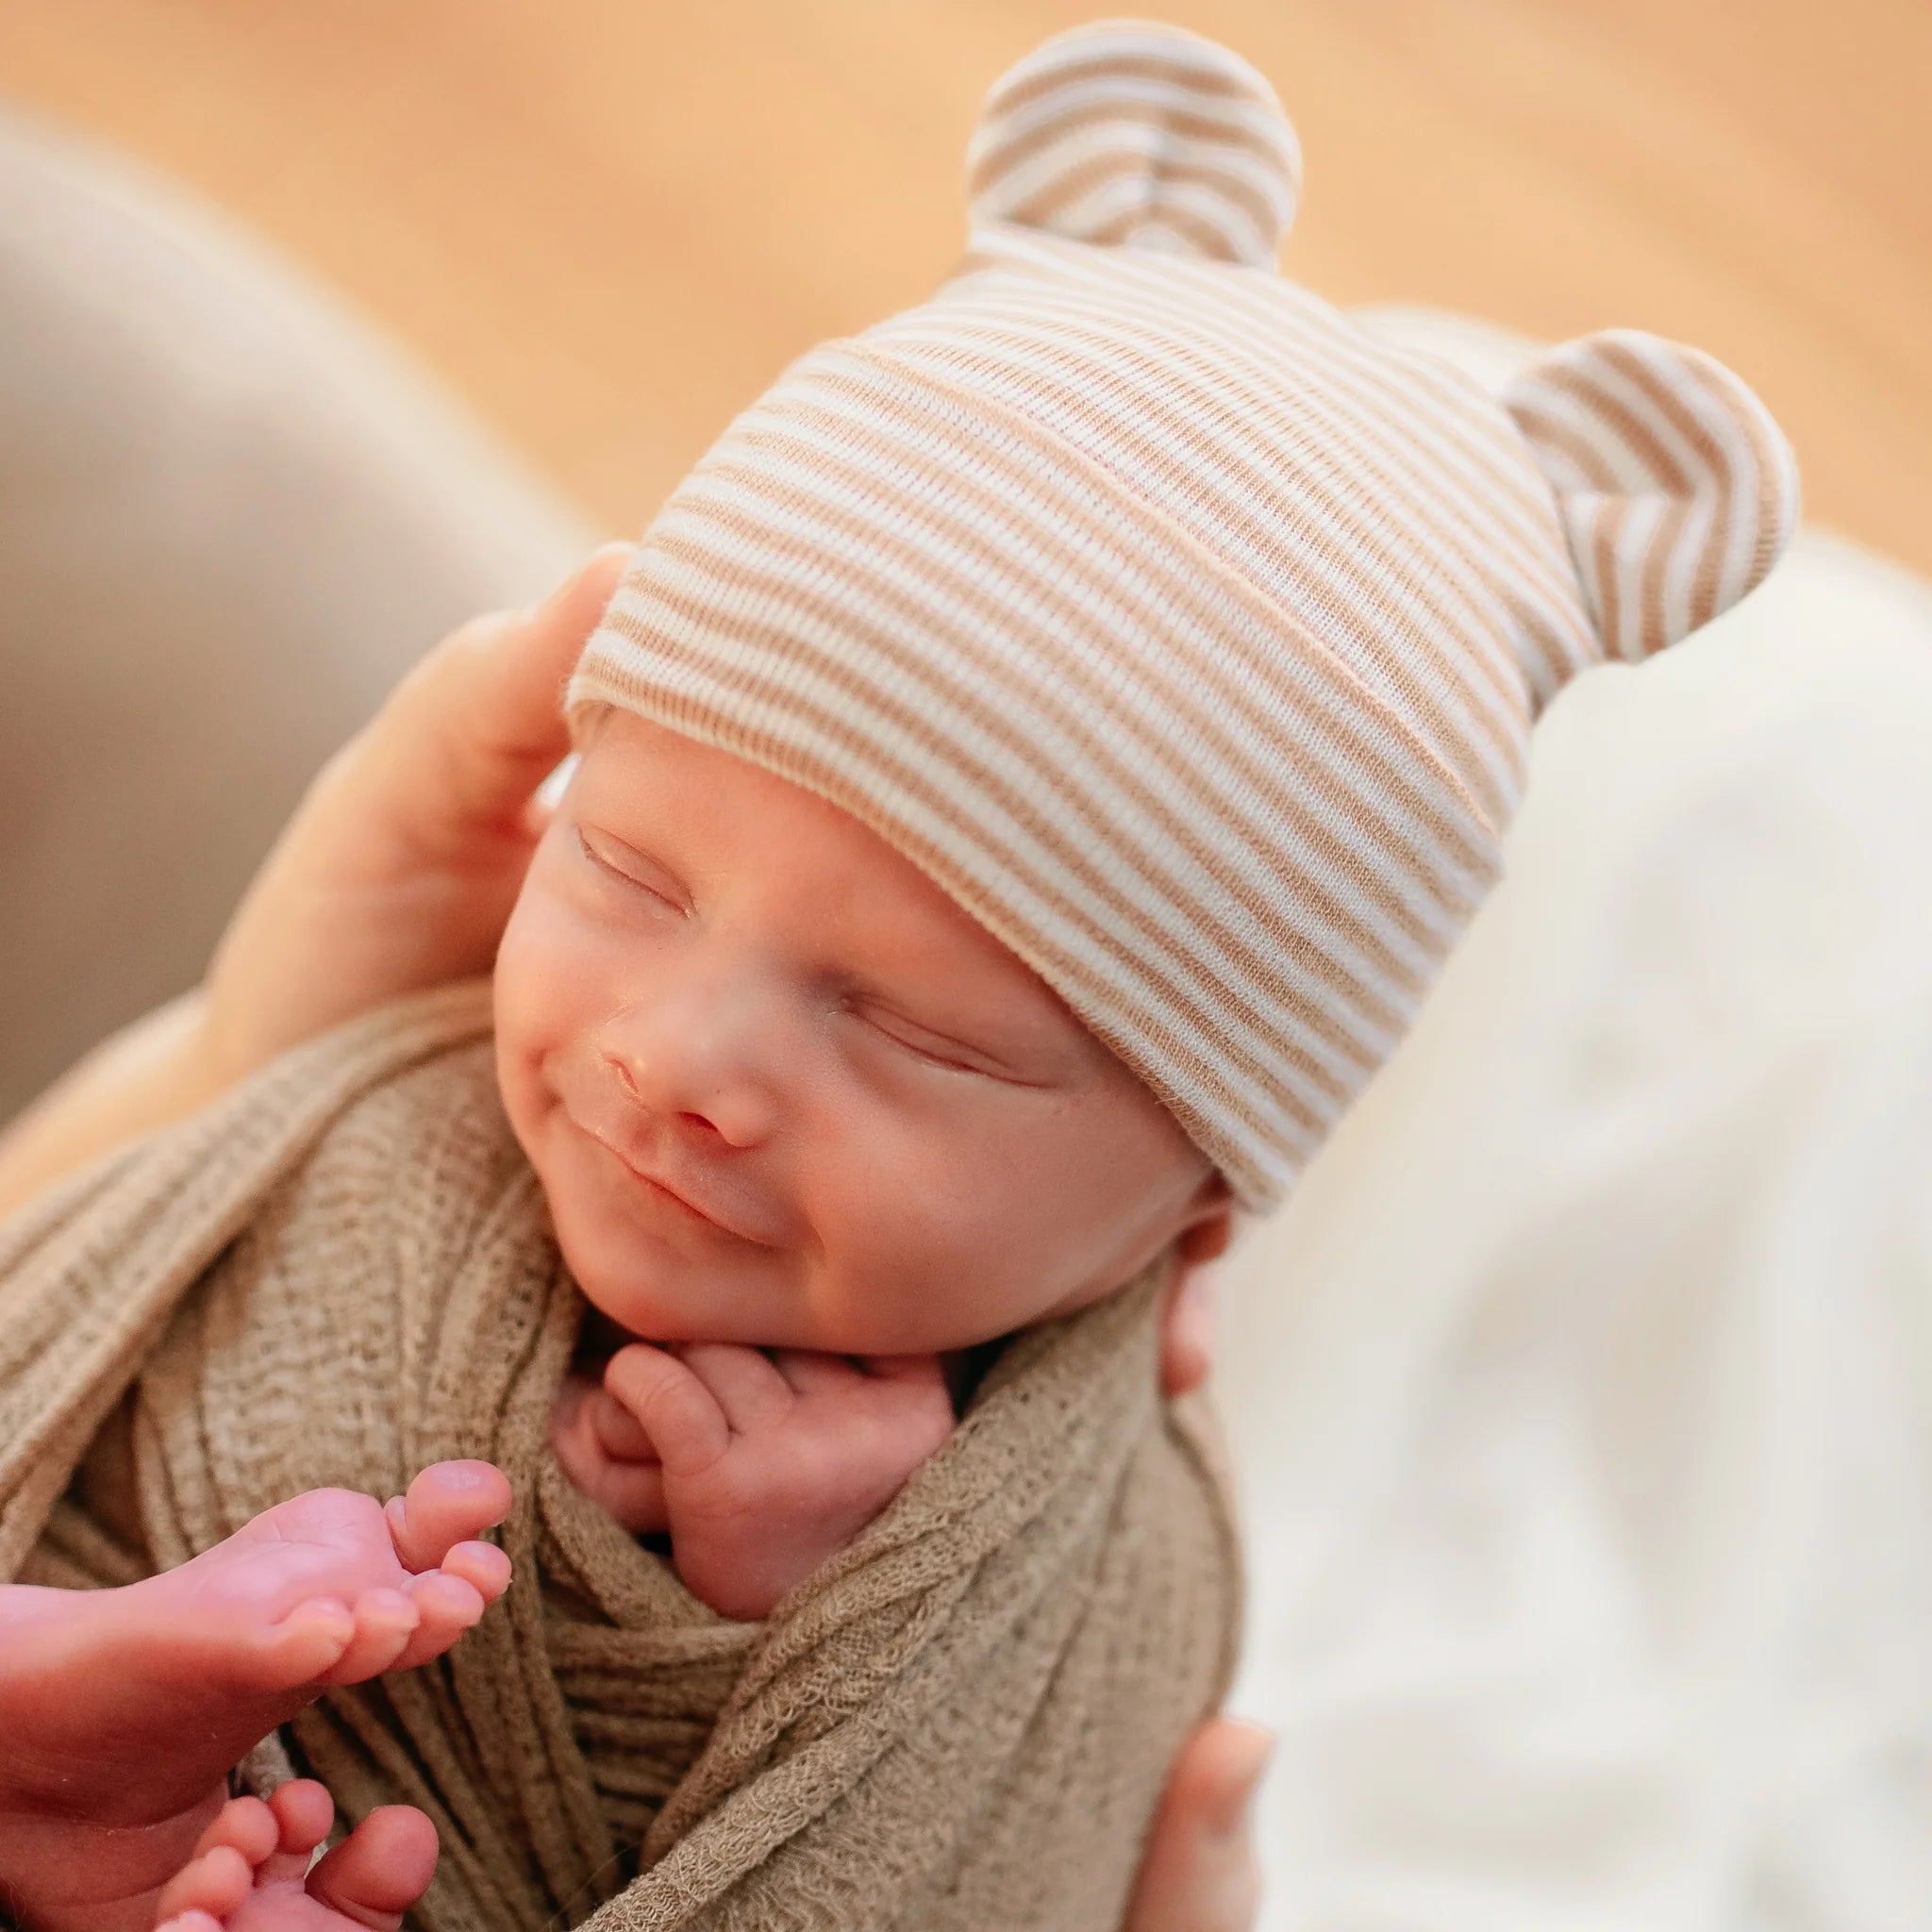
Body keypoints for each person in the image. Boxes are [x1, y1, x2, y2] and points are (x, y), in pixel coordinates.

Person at [0, 548, 1266, 1932]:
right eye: (628, 870)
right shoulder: (373, 1118)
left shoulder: (1120, 1569)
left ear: (1192, 1214)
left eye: (921, 1031)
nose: (670, 1058)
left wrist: (815, 1609)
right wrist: (231, 1060)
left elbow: (991, 1863)